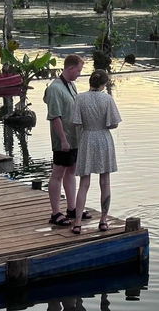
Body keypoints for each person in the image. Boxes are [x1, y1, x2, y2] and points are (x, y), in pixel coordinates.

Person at [69, 69, 122, 234]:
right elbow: (114, 124)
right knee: (105, 182)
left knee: (84, 184)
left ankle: (77, 223)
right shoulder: (107, 99)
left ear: (90, 82)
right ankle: (103, 221)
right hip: (103, 139)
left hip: (86, 139)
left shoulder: (80, 98)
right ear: (104, 84)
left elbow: (75, 122)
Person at [44, 54, 86, 227]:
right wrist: (63, 139)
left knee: (72, 171)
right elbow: (55, 116)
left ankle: (72, 208)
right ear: (70, 68)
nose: (79, 74)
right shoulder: (55, 88)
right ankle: (55, 213)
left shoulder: (71, 85)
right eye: (79, 70)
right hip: (64, 138)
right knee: (58, 173)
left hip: (75, 137)